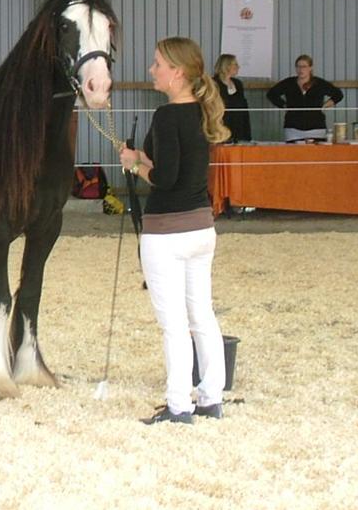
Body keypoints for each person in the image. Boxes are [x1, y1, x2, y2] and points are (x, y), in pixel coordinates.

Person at [119, 37, 230, 425]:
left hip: (166, 234)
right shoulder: (199, 112)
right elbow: (177, 168)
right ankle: (211, 396)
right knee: (202, 314)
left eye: (158, 64)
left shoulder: (166, 116)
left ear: (177, 73)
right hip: (201, 229)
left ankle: (179, 405)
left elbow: (164, 178)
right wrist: (140, 158)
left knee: (174, 325)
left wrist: (134, 165)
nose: (152, 70)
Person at [266, 55, 344, 142]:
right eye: (298, 66)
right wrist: (283, 105)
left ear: (310, 68)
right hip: (293, 129)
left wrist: (324, 106)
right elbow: (271, 94)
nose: (301, 69)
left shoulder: (320, 83)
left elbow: (338, 94)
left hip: (316, 128)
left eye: (304, 66)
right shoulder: (288, 83)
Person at [213, 54, 252, 143]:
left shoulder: (238, 83)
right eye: (235, 64)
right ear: (226, 66)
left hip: (239, 126)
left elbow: (243, 107)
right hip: (221, 127)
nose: (238, 67)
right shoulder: (213, 83)